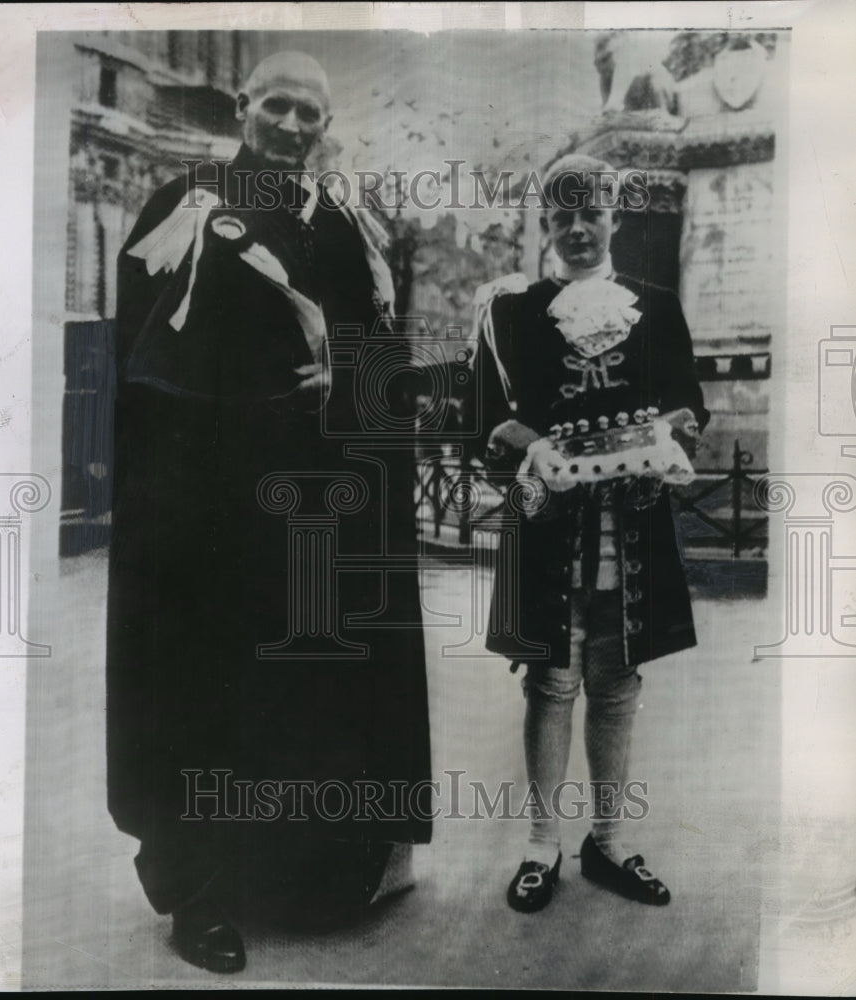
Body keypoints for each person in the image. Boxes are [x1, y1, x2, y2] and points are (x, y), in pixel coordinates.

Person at [106, 52, 432, 974]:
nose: (293, 126)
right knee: (204, 697)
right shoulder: (190, 203)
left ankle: (304, 879)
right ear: (244, 106)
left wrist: (348, 385)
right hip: (210, 508)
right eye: (277, 107)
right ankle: (200, 898)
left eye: (310, 115)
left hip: (316, 512)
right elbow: (142, 360)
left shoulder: (343, 221)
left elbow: (378, 354)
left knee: (304, 696)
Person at [468, 153, 709, 913]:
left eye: (590, 212)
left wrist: (665, 443)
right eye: (561, 215)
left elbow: (684, 405)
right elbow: (481, 417)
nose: (577, 228)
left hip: (630, 525)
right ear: (546, 223)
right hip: (547, 525)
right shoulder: (510, 313)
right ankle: (541, 844)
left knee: (616, 684)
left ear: (614, 217)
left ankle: (608, 842)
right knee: (551, 681)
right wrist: (528, 446)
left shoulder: (656, 305)